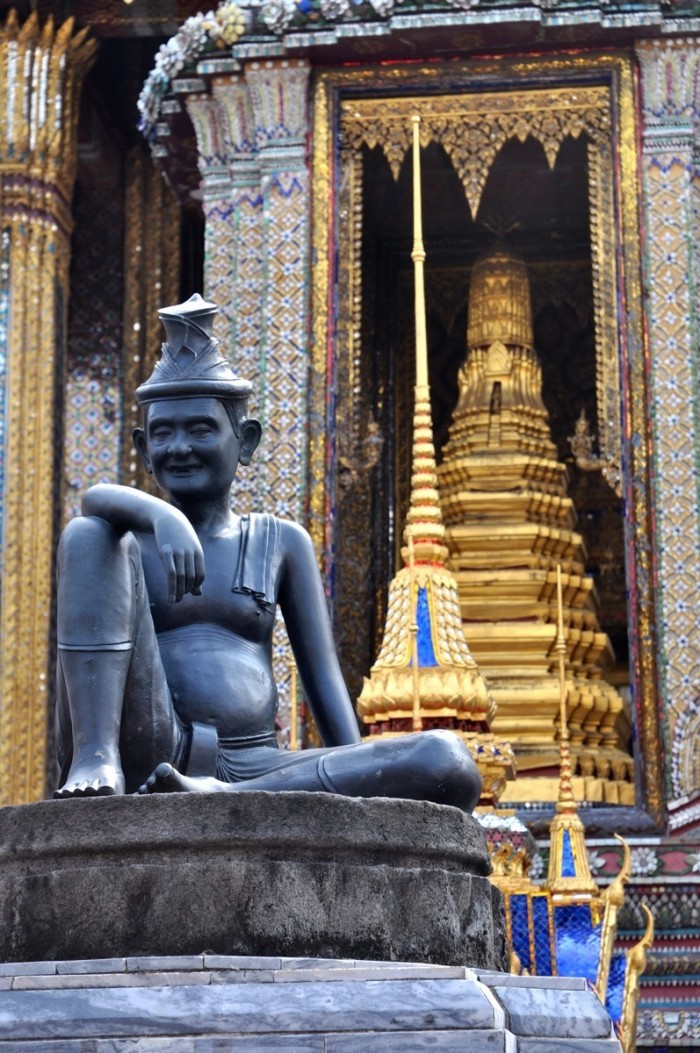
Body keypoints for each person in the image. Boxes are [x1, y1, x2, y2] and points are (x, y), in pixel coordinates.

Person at [54, 294, 481, 811]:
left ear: (246, 440)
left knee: (447, 757)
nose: (179, 447)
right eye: (163, 433)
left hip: (259, 763)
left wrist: (359, 774)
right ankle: (93, 754)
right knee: (86, 533)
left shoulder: (281, 542)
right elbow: (92, 499)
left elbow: (323, 679)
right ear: (144, 450)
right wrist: (159, 515)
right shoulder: (128, 540)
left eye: (201, 428)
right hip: (150, 749)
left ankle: (227, 794)